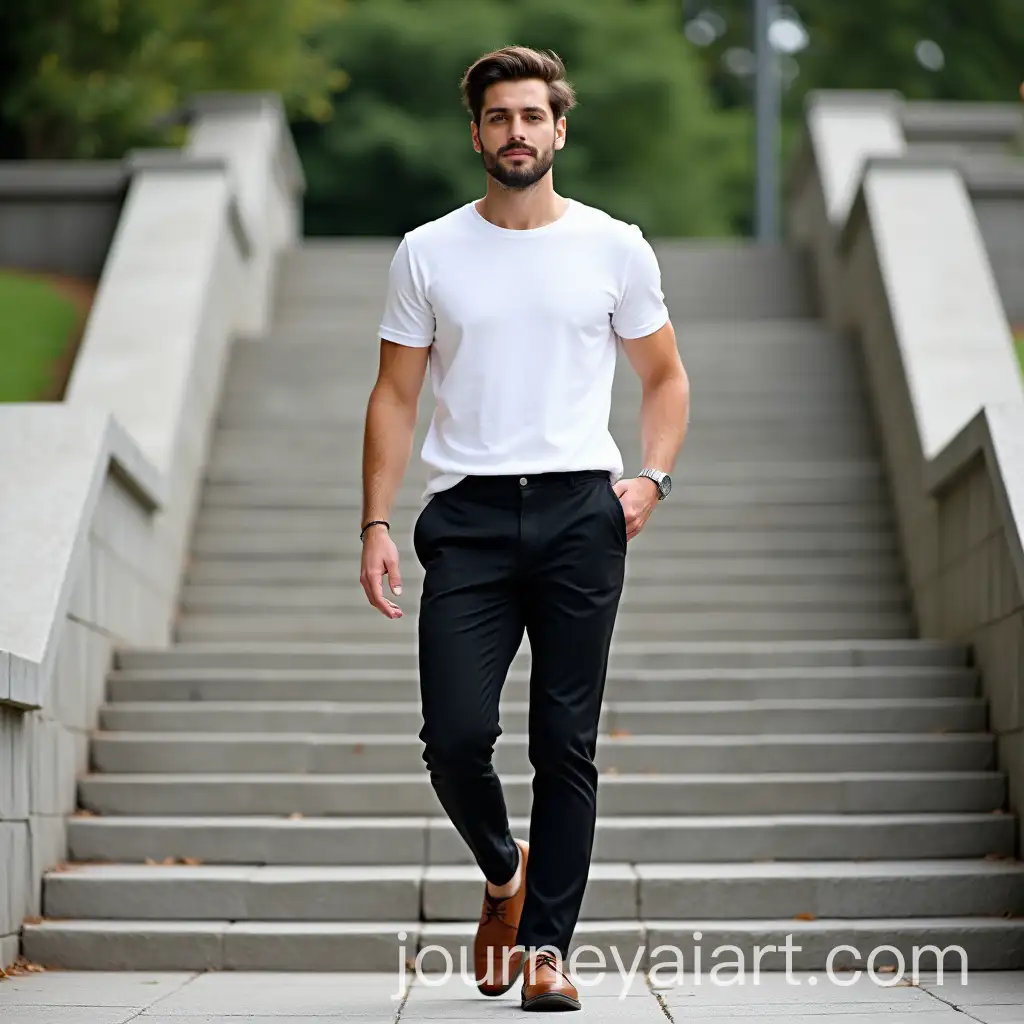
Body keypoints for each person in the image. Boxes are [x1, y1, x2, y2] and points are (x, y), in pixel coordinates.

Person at [359, 45, 690, 1013]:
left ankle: (546, 947)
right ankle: (505, 872)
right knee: (453, 738)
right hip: (463, 518)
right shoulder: (427, 250)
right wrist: (375, 519)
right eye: (498, 117)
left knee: (564, 740)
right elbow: (393, 394)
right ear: (476, 134)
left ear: (558, 129)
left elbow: (664, 376)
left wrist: (653, 477)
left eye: (531, 117)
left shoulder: (613, 247)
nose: (516, 133)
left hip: (579, 515)